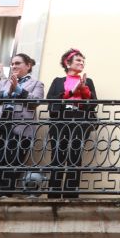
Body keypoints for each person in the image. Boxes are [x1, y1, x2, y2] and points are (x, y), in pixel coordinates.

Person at [0, 54, 44, 194]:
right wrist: (7, 92)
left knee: (14, 159)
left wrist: (18, 89)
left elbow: (36, 101)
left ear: (28, 65)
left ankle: (6, 193)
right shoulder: (4, 82)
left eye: (18, 63)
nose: (14, 66)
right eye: (12, 64)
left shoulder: (36, 83)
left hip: (21, 126)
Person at [46, 48, 98, 198]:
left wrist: (84, 90)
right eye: (78, 60)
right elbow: (51, 100)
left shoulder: (88, 81)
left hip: (80, 118)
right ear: (67, 63)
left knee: (75, 155)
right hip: (60, 119)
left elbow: (93, 103)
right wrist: (71, 92)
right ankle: (54, 194)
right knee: (58, 155)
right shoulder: (58, 81)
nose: (82, 63)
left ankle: (71, 195)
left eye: (83, 61)